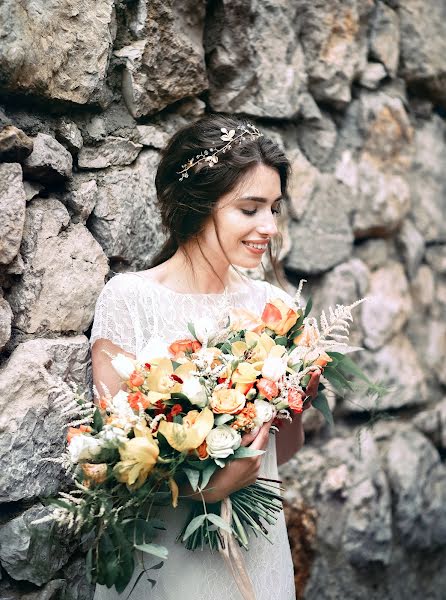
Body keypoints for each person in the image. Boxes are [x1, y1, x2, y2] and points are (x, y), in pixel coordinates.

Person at [90, 114, 320, 600]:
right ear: (197, 205)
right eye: (250, 209)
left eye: (274, 208)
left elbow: (283, 452)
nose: (270, 227)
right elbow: (111, 463)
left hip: (256, 546)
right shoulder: (129, 299)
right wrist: (204, 488)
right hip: (166, 556)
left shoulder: (278, 309)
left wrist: (298, 402)